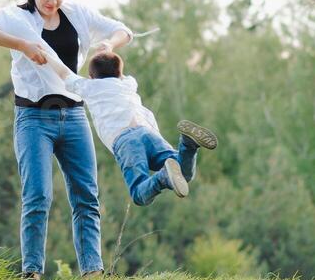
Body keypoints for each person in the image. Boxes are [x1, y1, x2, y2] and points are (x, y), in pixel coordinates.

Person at [0, 0, 136, 280]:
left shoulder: (77, 15)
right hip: (33, 118)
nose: (52, 1)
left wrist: (108, 44)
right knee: (38, 196)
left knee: (86, 195)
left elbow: (123, 31)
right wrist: (20, 45)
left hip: (74, 116)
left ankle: (92, 272)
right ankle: (31, 273)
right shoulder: (16, 18)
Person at [36, 48, 218, 206]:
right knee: (183, 174)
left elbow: (64, 73)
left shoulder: (89, 87)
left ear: (91, 77)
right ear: (119, 73)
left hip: (126, 140)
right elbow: (117, 70)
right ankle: (188, 145)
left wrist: (46, 54)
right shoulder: (128, 83)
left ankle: (162, 178)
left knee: (139, 194)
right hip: (148, 132)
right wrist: (108, 48)